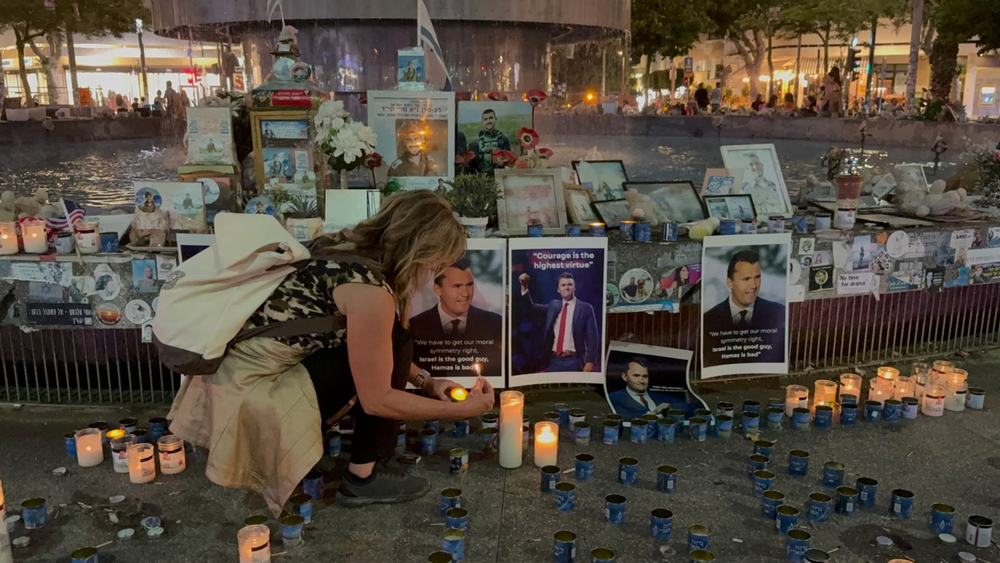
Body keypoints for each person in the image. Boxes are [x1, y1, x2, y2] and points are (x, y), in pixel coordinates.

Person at [167, 190, 495, 516]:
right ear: (418, 253)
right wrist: (461, 411)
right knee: (397, 338)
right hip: (251, 390)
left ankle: (367, 459)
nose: (432, 273)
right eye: (435, 263)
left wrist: (427, 381)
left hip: (230, 375)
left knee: (393, 336)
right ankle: (363, 477)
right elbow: (378, 399)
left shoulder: (340, 247)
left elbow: (371, 345)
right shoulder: (370, 292)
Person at [703, 249, 786, 364]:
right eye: (746, 279)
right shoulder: (709, 319)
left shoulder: (778, 313)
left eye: (757, 277)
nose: (753, 285)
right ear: (730, 283)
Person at [516, 272, 600, 373]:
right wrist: (524, 286)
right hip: (554, 360)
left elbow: (592, 337)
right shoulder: (553, 306)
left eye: (570, 284)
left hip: (575, 361)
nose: (567, 287)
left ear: (574, 287)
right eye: (563, 285)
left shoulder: (585, 308)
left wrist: (590, 361)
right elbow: (531, 308)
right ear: (558, 289)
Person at [408, 257, 503, 340]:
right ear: (437, 289)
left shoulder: (496, 323)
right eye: (457, 286)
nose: (465, 294)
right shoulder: (415, 326)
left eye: (469, 285)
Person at [608, 357, 686, 418]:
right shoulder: (614, 397)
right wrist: (653, 413)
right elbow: (623, 417)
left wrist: (672, 407)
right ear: (624, 377)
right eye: (636, 376)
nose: (641, 381)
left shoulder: (660, 396)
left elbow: (689, 407)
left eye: (645, 376)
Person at [468, 109, 511, 173]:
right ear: (482, 122)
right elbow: (471, 165)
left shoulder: (503, 139)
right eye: (485, 119)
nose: (488, 121)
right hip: (482, 176)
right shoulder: (475, 141)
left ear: (495, 119)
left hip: (499, 175)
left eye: (491, 118)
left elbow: (509, 161)